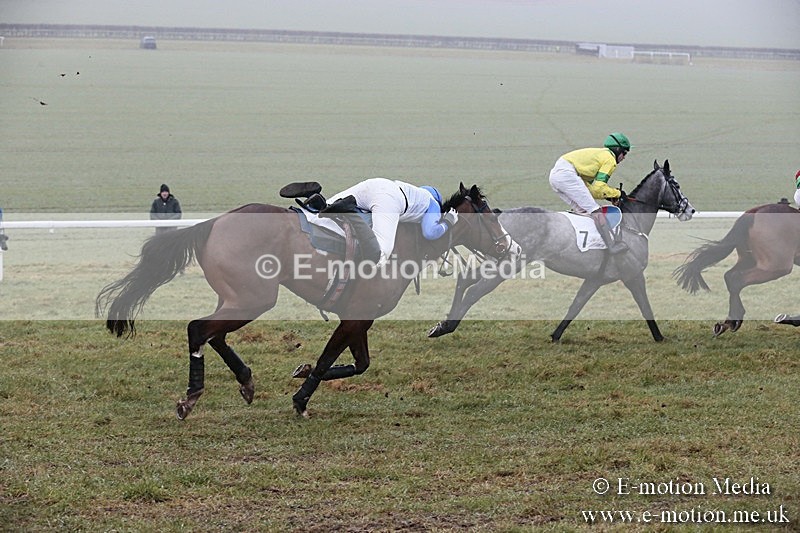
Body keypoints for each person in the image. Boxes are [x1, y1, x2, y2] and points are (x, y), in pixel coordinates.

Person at [319, 178, 458, 265]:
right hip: (389, 198)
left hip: (374, 184)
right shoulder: (433, 203)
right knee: (380, 255)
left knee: (322, 211)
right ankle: (350, 210)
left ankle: (313, 199)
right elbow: (429, 232)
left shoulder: (416, 192)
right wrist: (448, 222)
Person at [548, 133, 631, 254]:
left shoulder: (600, 155)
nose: (624, 157)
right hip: (567, 174)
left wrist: (610, 196)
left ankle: (582, 246)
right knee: (596, 212)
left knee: (583, 211)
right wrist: (618, 193)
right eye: (625, 153)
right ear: (618, 150)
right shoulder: (610, 159)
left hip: (556, 176)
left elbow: (591, 190)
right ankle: (612, 246)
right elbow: (597, 189)